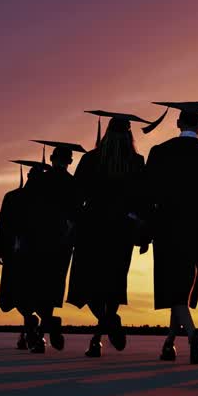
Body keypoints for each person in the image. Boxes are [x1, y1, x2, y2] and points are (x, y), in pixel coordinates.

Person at [144, 102, 198, 365]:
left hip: (167, 226)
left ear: (178, 123)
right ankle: (169, 342)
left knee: (175, 285)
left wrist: (145, 231)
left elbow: (149, 195)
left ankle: (192, 336)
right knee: (183, 285)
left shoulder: (160, 152)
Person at [67, 112, 151, 357]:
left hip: (91, 228)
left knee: (90, 285)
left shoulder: (91, 160)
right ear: (129, 135)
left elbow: (76, 196)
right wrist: (144, 233)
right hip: (121, 230)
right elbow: (144, 201)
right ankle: (102, 329)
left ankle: (105, 324)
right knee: (113, 285)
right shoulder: (136, 162)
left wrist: (73, 221)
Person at [21, 141, 85, 353]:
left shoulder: (41, 179)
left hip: (38, 240)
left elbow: (26, 204)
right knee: (52, 287)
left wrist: (33, 177)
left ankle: (45, 328)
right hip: (62, 243)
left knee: (36, 286)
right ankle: (45, 329)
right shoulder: (74, 183)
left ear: (52, 159)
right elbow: (78, 213)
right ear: (70, 161)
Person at [0, 160, 42, 351]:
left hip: (18, 253)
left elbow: (2, 224)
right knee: (28, 293)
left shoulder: (13, 196)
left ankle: (29, 330)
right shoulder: (43, 201)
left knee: (18, 292)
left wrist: (0, 249)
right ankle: (28, 331)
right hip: (34, 253)